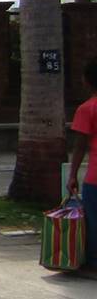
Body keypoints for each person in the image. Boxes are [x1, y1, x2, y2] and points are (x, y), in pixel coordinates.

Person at [67, 56, 97, 266]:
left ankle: (94, 262)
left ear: (87, 81)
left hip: (95, 178)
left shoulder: (87, 109)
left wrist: (72, 176)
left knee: (94, 221)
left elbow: (79, 147)